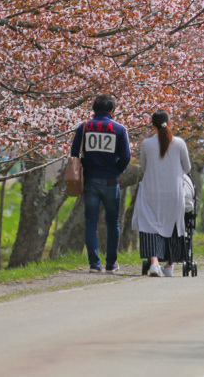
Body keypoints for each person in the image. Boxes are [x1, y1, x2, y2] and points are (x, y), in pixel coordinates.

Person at [70, 94, 132, 273]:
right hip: (111, 180)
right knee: (113, 223)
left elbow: (74, 153)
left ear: (93, 110)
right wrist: (117, 170)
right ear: (112, 111)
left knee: (91, 222)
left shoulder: (84, 127)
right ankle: (111, 263)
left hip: (90, 180)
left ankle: (94, 264)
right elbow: (126, 156)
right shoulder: (119, 129)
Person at [133, 110, 191, 278]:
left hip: (152, 192)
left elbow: (144, 168)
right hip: (174, 193)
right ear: (169, 123)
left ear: (153, 125)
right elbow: (187, 168)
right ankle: (169, 265)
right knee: (173, 225)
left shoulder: (146, 144)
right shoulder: (179, 143)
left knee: (150, 226)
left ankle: (154, 263)